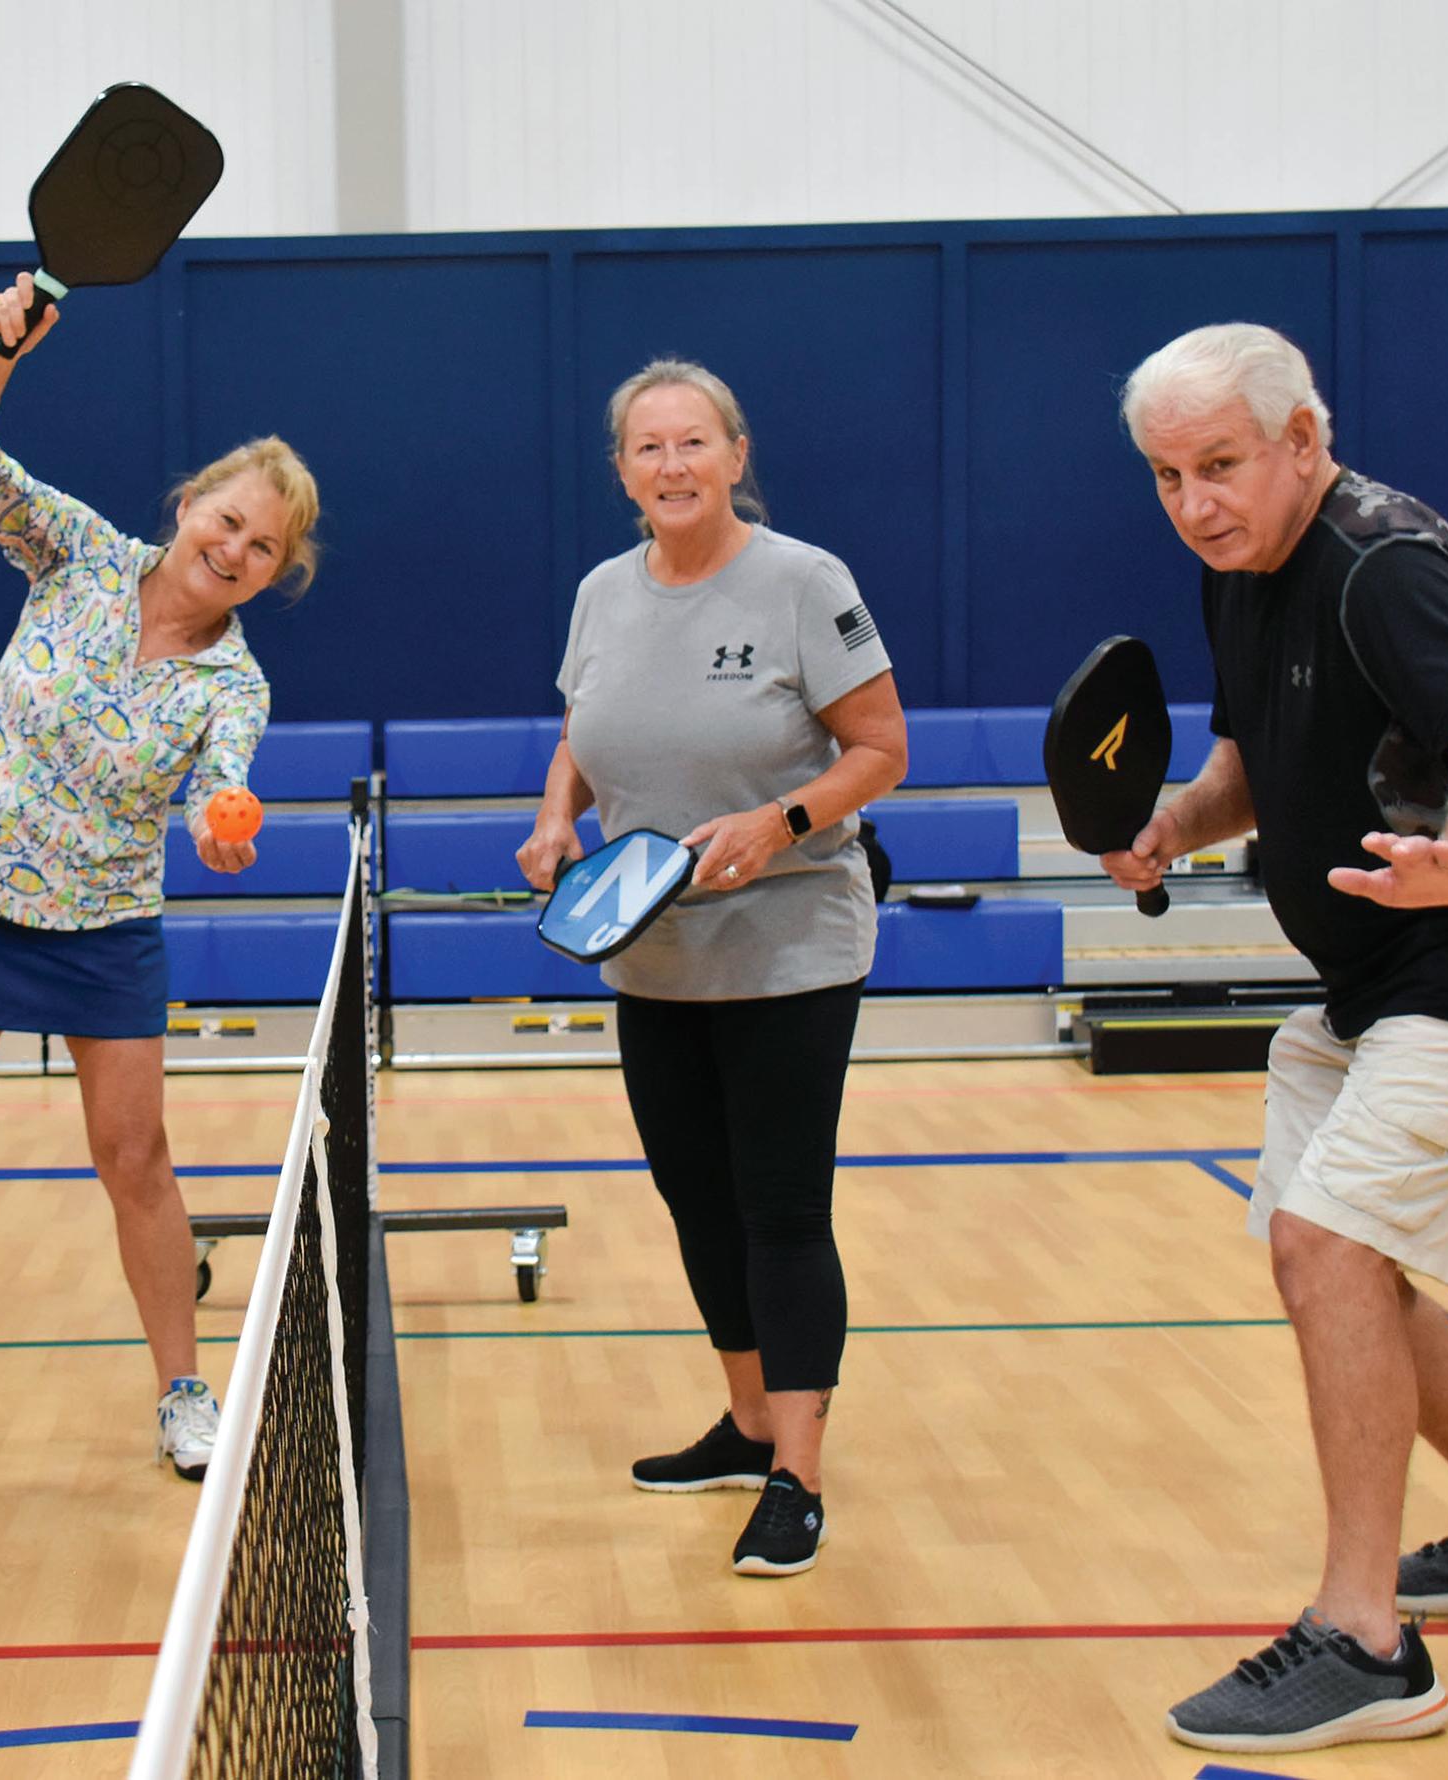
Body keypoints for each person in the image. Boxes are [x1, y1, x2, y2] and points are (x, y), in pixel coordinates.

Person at [1109, 323, 1448, 1755]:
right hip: (1374, 970)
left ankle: (1363, 1641)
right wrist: (1170, 825)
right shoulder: (1239, 570)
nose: (1194, 502)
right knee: (1340, 1257)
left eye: (1219, 464)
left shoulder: (1374, 558)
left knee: (1327, 1246)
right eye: (1165, 475)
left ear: (1301, 439)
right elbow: (1246, 764)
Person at [0, 275, 320, 1484]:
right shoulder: (81, 555)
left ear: (275, 571)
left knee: (135, 1157)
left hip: (105, 925)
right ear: (190, 504)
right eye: (226, 520)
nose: (233, 550)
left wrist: (221, 828)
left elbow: (221, 784)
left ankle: (183, 1392)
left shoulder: (234, 685)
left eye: (261, 547)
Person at [516, 358, 907, 1577]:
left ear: (736, 456)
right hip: (655, 952)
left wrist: (780, 823)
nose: (672, 464)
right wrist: (556, 815)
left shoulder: (803, 581)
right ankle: (745, 1424)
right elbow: (583, 731)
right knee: (696, 1200)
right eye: (649, 447)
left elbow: (880, 748)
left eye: (694, 442)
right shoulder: (600, 592)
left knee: (779, 1208)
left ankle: (799, 1474)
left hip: (791, 941)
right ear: (622, 471)